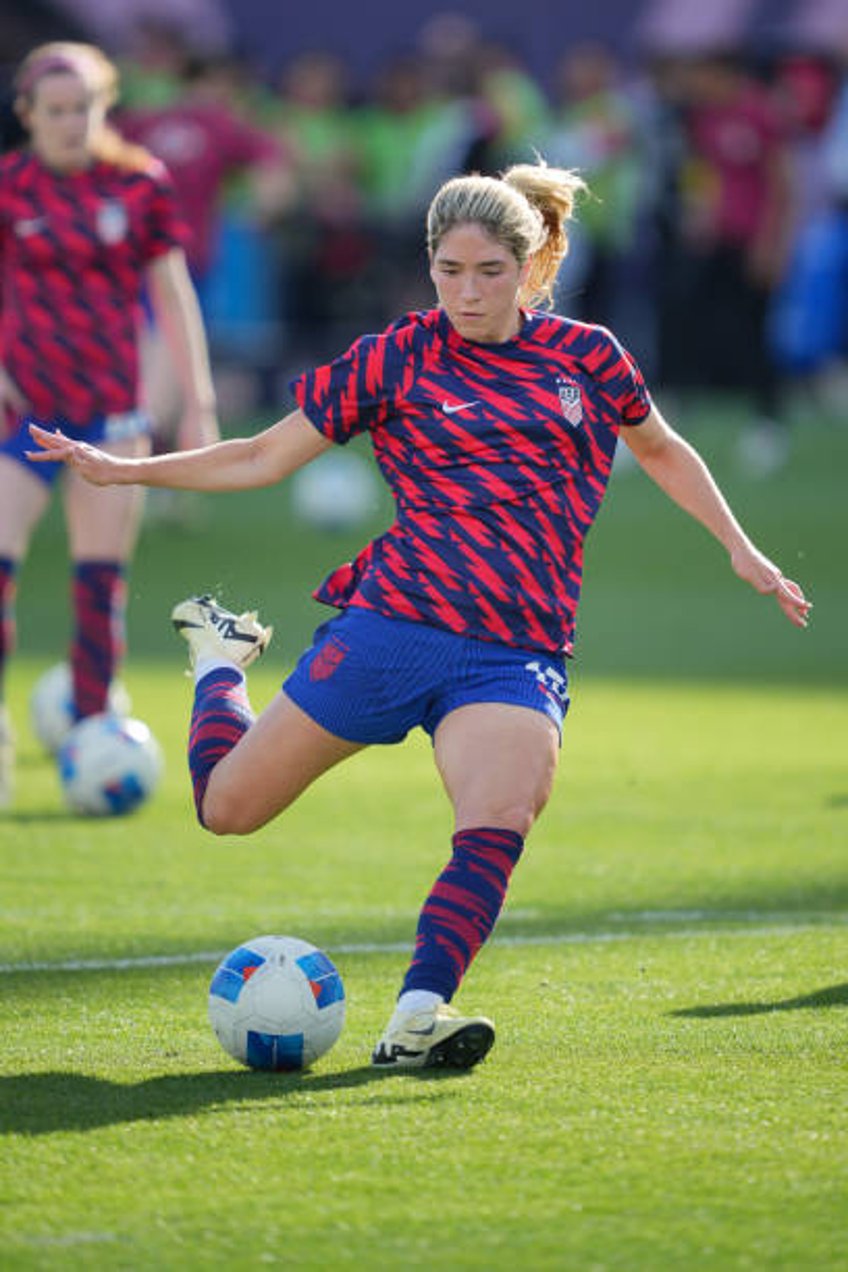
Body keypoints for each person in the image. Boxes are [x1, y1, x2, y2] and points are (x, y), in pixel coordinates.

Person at [29, 159, 811, 1071]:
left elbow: (662, 447)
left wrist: (739, 545)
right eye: (449, 270)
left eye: (489, 272)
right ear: (428, 264)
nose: (467, 292)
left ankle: (417, 1016)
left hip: (516, 652)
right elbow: (258, 457)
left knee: (501, 814)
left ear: (531, 265)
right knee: (226, 809)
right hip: (391, 628)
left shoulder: (588, 356)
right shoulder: (395, 355)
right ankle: (219, 662)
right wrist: (129, 468)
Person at [0, 41, 219, 807]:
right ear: (27, 114)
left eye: (84, 107)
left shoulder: (137, 183)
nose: (70, 122)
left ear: (106, 107)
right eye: (54, 110)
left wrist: (197, 403)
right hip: (20, 411)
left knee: (100, 581)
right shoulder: (8, 188)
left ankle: (93, 732)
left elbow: (172, 292)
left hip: (109, 414)